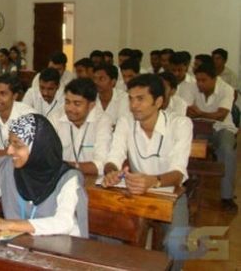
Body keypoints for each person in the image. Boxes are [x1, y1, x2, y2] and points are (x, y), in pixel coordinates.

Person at [103, 74, 192, 259]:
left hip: (170, 193)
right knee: (107, 234)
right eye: (131, 99)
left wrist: (153, 181)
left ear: (159, 101)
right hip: (134, 192)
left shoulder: (180, 124)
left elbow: (178, 172)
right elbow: (114, 157)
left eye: (140, 99)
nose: (133, 105)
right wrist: (111, 172)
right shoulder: (126, 121)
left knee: (177, 245)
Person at [0, 113, 88, 238]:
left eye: (18, 145)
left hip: (61, 251)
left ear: (39, 147)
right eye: (9, 143)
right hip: (20, 246)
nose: (9, 151)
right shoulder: (8, 167)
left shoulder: (69, 178)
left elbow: (64, 223)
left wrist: (10, 225)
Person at [188, 63, 238, 212]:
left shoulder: (226, 89)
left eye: (204, 80)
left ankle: (227, 197)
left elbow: (221, 115)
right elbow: (187, 109)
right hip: (199, 126)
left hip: (222, 128)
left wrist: (200, 113)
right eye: (198, 80)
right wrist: (200, 115)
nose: (200, 84)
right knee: (186, 144)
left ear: (214, 79)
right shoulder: (192, 87)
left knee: (227, 150)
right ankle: (188, 185)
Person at [49, 79, 112, 175]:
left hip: (91, 180)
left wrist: (68, 167)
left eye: (77, 104)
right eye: (67, 102)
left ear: (91, 105)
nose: (70, 108)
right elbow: (46, 157)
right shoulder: (55, 118)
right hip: (59, 178)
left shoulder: (102, 121)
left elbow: (101, 164)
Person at [0, 74, 35, 161]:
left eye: (2, 94)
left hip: (24, 164)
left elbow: (26, 150)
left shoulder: (27, 115)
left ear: (15, 96)